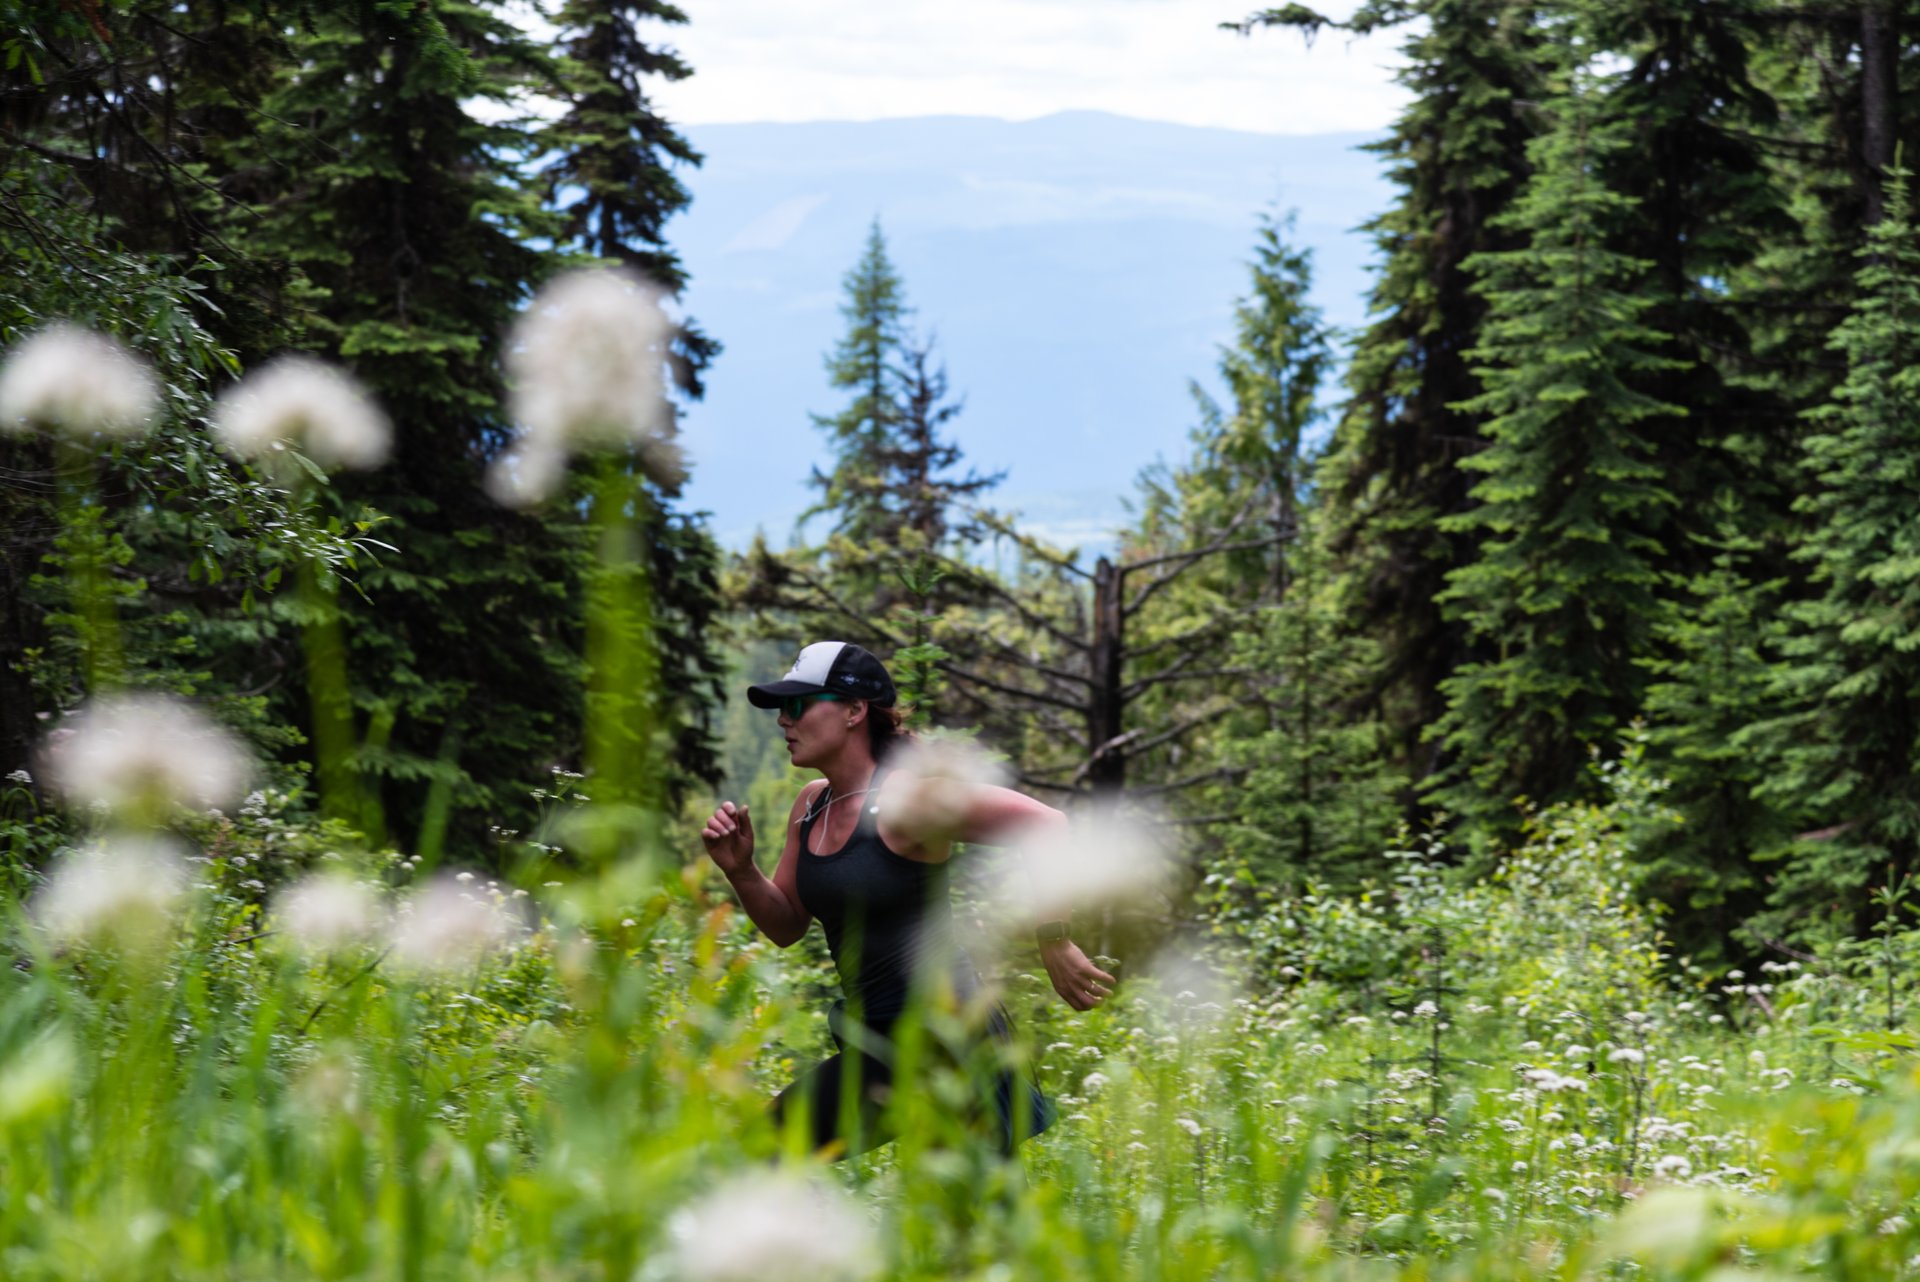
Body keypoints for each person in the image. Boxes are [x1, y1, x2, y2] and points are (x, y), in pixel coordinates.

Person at [700, 640, 1117, 1158]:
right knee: (758, 1153)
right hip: (878, 1042)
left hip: (950, 1042)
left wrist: (1054, 940)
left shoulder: (907, 799)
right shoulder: (812, 805)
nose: (785, 719)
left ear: (855, 711)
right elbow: (786, 925)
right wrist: (741, 871)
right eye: (782, 708)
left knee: (976, 1230)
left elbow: (1044, 823)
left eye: (799, 704)